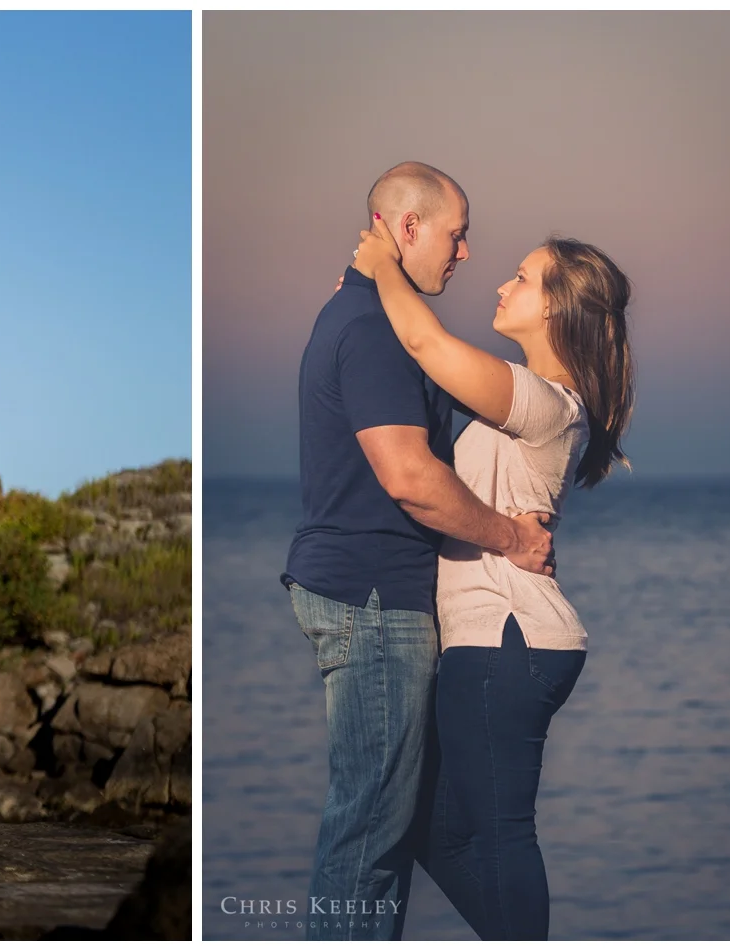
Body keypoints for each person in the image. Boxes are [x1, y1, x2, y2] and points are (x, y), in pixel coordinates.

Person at [283, 162, 556, 939]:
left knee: (391, 825)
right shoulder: (369, 327)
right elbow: (408, 475)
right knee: (369, 833)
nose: (466, 252)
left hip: (373, 597)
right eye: (456, 233)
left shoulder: (372, 315)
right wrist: (514, 539)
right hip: (374, 602)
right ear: (406, 228)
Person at [352, 214, 634, 940]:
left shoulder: (544, 402)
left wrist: (380, 262)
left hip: (504, 643)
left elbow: (426, 343)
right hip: (501, 644)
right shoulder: (541, 402)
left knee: (505, 834)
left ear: (553, 307)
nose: (503, 283)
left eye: (523, 276)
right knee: (433, 832)